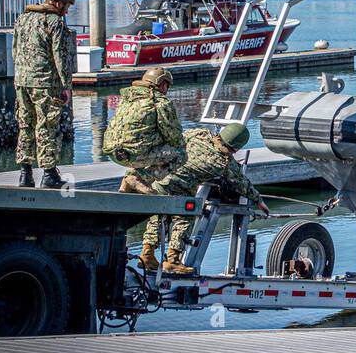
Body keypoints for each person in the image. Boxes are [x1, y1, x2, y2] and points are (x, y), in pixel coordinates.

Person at [149, 122, 270, 275]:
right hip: (180, 189)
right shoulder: (224, 163)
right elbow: (242, 184)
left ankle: (147, 254)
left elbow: (179, 138)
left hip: (158, 180)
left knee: (157, 218)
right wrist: (259, 201)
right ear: (236, 148)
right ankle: (172, 260)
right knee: (185, 218)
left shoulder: (201, 134)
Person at [103, 66, 186, 271]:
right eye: (166, 85)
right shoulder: (161, 102)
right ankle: (139, 178)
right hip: (136, 153)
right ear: (161, 84)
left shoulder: (126, 97)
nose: (167, 90)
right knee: (180, 153)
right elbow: (174, 136)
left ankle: (132, 178)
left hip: (114, 152)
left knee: (149, 141)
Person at [12, 0, 77, 188]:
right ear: (59, 3)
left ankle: (25, 174)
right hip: (45, 83)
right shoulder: (54, 23)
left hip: (22, 81)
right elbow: (61, 56)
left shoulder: (22, 18)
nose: (67, 11)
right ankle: (49, 174)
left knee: (25, 125)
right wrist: (66, 85)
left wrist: (21, 74)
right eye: (67, 6)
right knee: (47, 126)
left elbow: (15, 49)